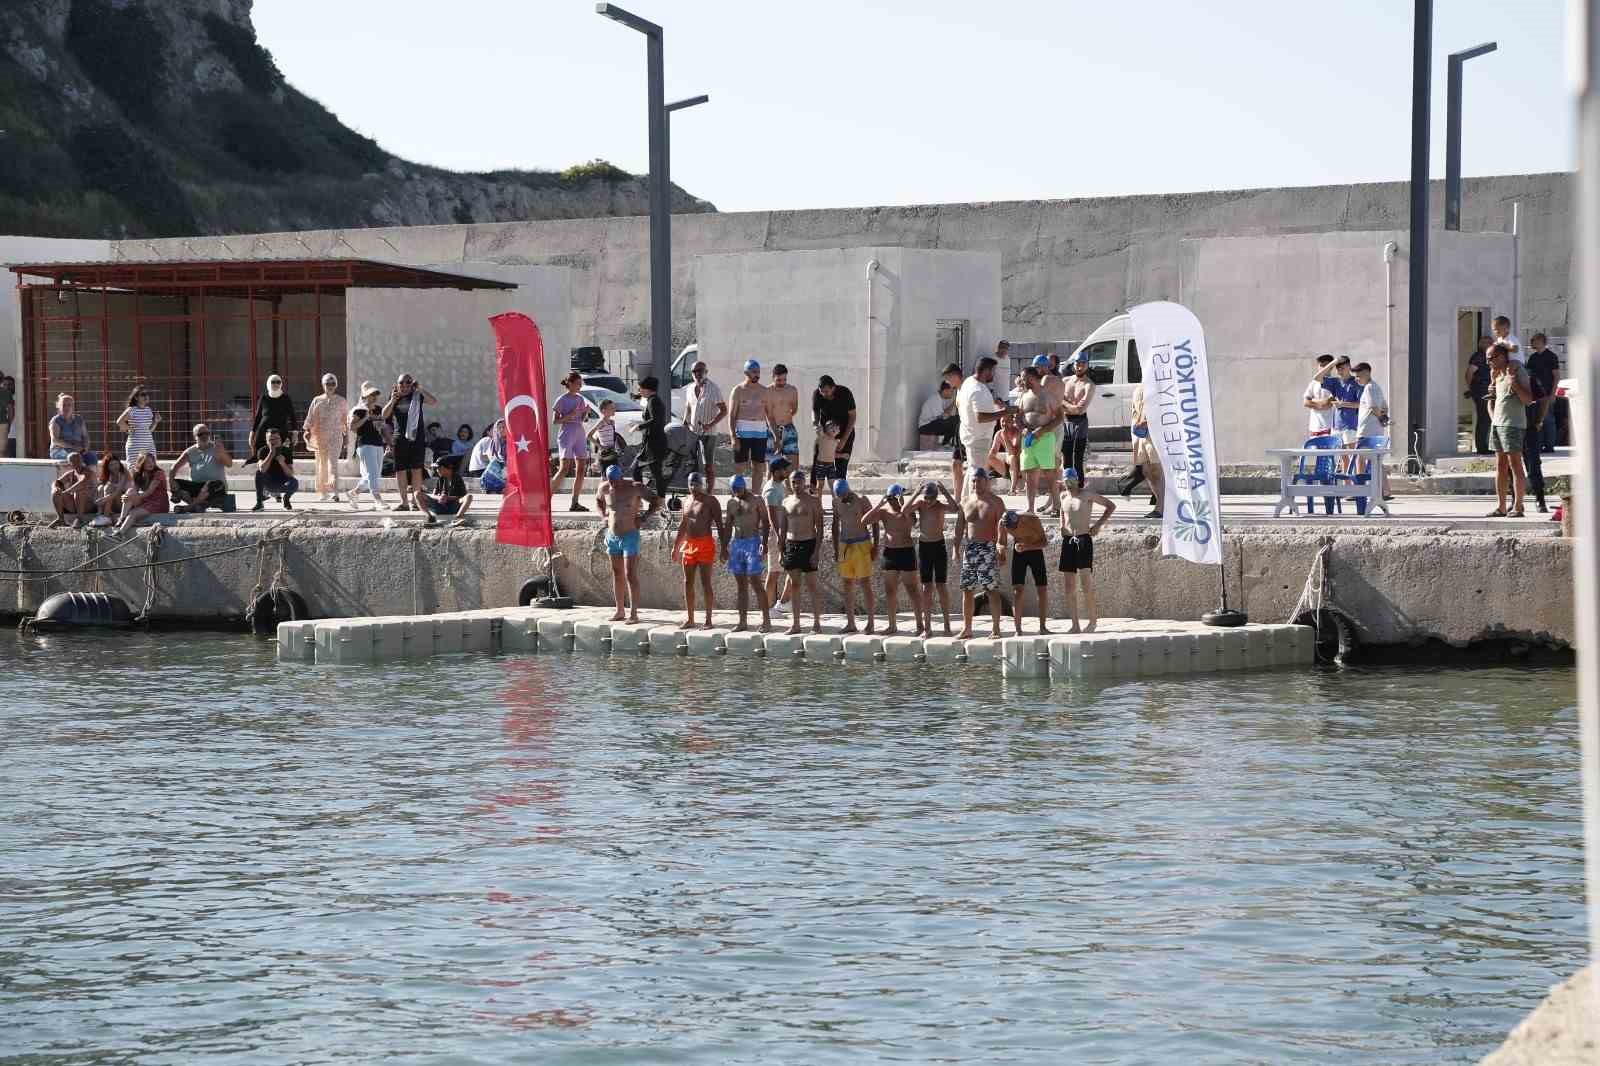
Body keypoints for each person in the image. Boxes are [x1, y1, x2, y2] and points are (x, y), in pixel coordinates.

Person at [596, 464, 660, 623]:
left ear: (621, 478)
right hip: (612, 536)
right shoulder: (604, 488)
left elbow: (656, 501)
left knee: (630, 574)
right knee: (616, 573)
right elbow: (598, 501)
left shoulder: (635, 487)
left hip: (630, 535)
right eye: (610, 481)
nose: (613, 484)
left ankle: (634, 613)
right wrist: (602, 516)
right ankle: (619, 611)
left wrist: (644, 517)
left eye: (615, 481)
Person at [862, 484, 924, 637]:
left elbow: (912, 522)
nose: (890, 501)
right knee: (890, 590)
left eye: (892, 498)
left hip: (906, 552)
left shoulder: (907, 512)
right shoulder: (884, 512)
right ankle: (892, 625)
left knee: (912, 590)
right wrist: (879, 504)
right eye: (888, 498)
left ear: (898, 497)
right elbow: (864, 521)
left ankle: (920, 625)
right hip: (890, 553)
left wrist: (903, 504)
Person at [1058, 469, 1115, 633]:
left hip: (1083, 539)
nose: (1068, 483)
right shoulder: (1063, 496)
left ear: (1077, 480)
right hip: (1068, 541)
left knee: (1085, 583)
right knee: (1069, 586)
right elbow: (1063, 511)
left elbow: (1110, 506)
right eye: (1066, 480)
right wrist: (1061, 525)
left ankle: (1092, 621)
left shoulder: (1087, 495)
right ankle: (1075, 624)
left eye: (1071, 480)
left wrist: (1097, 525)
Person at [905, 481, 960, 637]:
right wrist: (916, 493)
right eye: (926, 498)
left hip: (939, 547)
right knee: (926, 587)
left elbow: (955, 508)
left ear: (936, 497)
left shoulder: (940, 506)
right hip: (924, 547)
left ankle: (947, 627)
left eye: (931, 499)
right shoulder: (920, 504)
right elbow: (904, 510)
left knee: (941, 586)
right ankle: (927, 627)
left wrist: (944, 490)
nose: (928, 502)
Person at [671, 472, 725, 629]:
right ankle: (690, 619)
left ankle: (708, 619)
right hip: (689, 544)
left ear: (702, 484)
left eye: (696, 484)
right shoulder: (686, 501)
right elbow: (683, 524)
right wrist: (675, 547)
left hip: (705, 544)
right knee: (687, 582)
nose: (693, 487)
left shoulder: (710, 501)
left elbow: (720, 525)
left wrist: (724, 548)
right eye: (691, 484)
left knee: (705, 582)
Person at [956, 468, 1005, 640]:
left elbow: (1002, 528)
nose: (976, 484)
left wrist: (1001, 547)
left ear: (987, 481)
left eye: (979, 480)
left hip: (988, 548)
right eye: (973, 481)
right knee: (967, 590)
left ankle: (996, 628)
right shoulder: (965, 501)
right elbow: (959, 528)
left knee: (991, 589)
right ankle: (967, 628)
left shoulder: (996, 502)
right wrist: (956, 549)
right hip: (970, 549)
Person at [1486, 343, 1533, 517]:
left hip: (1513, 425)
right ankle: (1501, 506)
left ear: (1502, 356)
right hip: (1498, 425)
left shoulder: (1517, 371)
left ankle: (1518, 506)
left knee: (1515, 465)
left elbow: (1528, 400)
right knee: (1500, 466)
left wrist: (1514, 383)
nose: (1489, 362)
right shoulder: (1496, 375)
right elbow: (1494, 403)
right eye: (1487, 359)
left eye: (1491, 358)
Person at [780, 468, 825, 635]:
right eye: (793, 482)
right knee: (795, 585)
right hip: (791, 545)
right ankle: (796, 624)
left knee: (812, 585)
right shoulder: (786, 502)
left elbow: (819, 527)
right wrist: (780, 550)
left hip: (808, 544)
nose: (796, 485)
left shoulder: (813, 501)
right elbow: (783, 527)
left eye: (798, 482)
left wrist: (816, 552)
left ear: (804, 483)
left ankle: (817, 623)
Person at [724, 474, 771, 632]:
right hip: (737, 544)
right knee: (741, 586)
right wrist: (724, 547)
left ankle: (766, 621)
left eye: (739, 488)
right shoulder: (731, 503)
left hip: (753, 543)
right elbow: (728, 526)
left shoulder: (756, 500)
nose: (737, 492)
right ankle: (742, 622)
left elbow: (765, 522)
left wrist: (764, 544)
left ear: (745, 486)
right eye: (735, 490)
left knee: (756, 583)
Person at [382, 374, 435, 511]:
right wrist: (392, 401)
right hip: (400, 439)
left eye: (408, 383)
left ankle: (415, 501)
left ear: (412, 384)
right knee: (400, 471)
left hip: (417, 438)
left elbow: (434, 402)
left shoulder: (417, 395)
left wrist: (421, 389)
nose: (405, 386)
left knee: (417, 470)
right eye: (402, 383)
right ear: (397, 384)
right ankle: (404, 502)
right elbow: (384, 415)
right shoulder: (394, 397)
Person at [831, 478, 877, 634]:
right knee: (847, 584)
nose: (842, 498)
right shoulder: (836, 503)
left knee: (865, 584)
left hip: (861, 544)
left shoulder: (862, 501)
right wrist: (836, 548)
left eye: (843, 495)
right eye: (839, 496)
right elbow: (835, 525)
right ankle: (851, 623)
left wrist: (875, 546)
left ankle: (870, 623)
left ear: (848, 490)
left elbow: (875, 522)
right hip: (845, 545)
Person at [1017, 364, 1062, 513]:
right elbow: (1018, 417)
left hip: (1045, 437)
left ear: (1032, 378)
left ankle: (1056, 506)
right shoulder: (1023, 396)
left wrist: (1042, 431)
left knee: (1049, 473)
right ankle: (1030, 508)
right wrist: (1022, 428)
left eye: (1024, 379)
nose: (1022, 382)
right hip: (1028, 438)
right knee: (1030, 474)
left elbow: (1059, 418)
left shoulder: (1048, 396)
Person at [1000, 508, 1050, 635]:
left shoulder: (1032, 520)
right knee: (1017, 591)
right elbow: (1001, 542)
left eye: (1014, 528)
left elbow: (1044, 542)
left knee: (1042, 589)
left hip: (1035, 550)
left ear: (1020, 520)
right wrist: (1001, 551)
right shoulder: (1003, 523)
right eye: (1010, 529)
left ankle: (1043, 627)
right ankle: (1018, 629)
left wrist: (1027, 547)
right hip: (1019, 553)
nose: (1013, 531)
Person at [727, 359, 774, 497]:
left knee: (759, 466)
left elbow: (769, 416)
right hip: (742, 431)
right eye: (754, 372)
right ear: (746, 372)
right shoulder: (738, 390)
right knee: (740, 466)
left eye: (758, 372)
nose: (757, 375)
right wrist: (733, 437)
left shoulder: (764, 391)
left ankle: (755, 496)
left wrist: (775, 435)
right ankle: (737, 493)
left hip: (760, 432)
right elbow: (731, 416)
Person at [956, 357, 1002, 495]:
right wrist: (1004, 412)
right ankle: (973, 505)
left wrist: (992, 404)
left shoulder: (968, 382)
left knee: (972, 470)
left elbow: (960, 404)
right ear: (986, 371)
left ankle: (964, 504)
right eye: (992, 371)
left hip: (971, 435)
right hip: (978, 438)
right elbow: (980, 417)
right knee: (977, 474)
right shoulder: (977, 389)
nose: (993, 374)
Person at [299, 374, 349, 502]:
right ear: (323, 385)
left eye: (333, 383)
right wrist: (307, 430)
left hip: (336, 436)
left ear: (336, 385)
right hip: (321, 436)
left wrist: (347, 436)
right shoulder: (317, 400)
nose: (330, 386)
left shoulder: (342, 401)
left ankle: (335, 492)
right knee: (322, 464)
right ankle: (323, 492)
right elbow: (310, 417)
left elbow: (345, 420)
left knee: (333, 463)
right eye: (328, 383)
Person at [684, 360, 728, 491]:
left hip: (708, 433)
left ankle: (709, 493)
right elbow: (688, 406)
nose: (697, 374)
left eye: (700, 371)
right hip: (692, 431)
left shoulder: (713, 389)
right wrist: (685, 422)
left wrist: (710, 424)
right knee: (691, 464)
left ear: (706, 372)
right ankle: (693, 492)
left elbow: (724, 410)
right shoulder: (690, 388)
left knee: (708, 465)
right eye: (694, 371)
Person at [549, 371, 590, 512]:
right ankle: (546, 500)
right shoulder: (561, 399)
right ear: (570, 384)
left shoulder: (580, 399)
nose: (580, 386)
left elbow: (582, 418)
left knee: (581, 469)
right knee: (564, 468)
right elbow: (555, 421)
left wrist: (585, 412)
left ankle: (575, 502)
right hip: (566, 433)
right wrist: (570, 415)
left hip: (579, 432)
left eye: (581, 383)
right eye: (578, 383)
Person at [169, 423, 232, 513]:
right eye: (200, 434)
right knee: (175, 482)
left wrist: (222, 452)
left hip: (214, 488)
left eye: (207, 433)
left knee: (211, 484)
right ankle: (197, 506)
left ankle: (189, 507)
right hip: (197, 487)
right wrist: (171, 482)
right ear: (195, 437)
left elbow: (229, 464)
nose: (204, 436)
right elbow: (174, 468)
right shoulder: (190, 451)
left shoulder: (216, 448)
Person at [348, 385, 391, 509]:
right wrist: (366, 418)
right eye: (371, 395)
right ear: (364, 396)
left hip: (378, 444)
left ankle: (353, 493)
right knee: (372, 473)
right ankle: (377, 500)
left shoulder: (378, 409)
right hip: (365, 444)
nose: (374, 397)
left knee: (374, 475)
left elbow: (383, 427)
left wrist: (389, 442)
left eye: (375, 395)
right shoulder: (359, 410)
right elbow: (352, 427)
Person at [1352, 363, 1390, 500]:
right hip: (1375, 430)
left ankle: (1359, 490)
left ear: (1367, 372)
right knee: (1376, 460)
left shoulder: (1369, 388)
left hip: (1366, 431)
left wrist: (1382, 418)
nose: (1356, 379)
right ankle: (1385, 491)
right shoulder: (1376, 387)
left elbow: (1374, 407)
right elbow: (1385, 406)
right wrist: (1383, 418)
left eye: (1358, 376)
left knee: (1360, 460)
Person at [1129, 379, 1164, 518]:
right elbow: (1135, 410)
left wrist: (1146, 421)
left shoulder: (1159, 386)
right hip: (1139, 434)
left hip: (1154, 434)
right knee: (1146, 470)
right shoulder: (1139, 387)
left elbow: (1161, 409)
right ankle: (1161, 503)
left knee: (1156, 470)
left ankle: (1160, 506)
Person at [812, 375, 857, 480]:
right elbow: (815, 412)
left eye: (826, 391)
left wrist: (843, 440)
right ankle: (814, 490)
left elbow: (853, 416)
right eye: (821, 391)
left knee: (841, 468)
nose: (823, 394)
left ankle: (840, 492)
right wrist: (815, 424)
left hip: (845, 431)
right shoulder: (817, 394)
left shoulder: (845, 393)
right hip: (825, 433)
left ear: (833, 388)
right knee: (818, 461)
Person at [763, 456, 792, 617]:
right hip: (777, 536)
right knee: (773, 572)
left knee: (793, 569)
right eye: (784, 469)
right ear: (776, 471)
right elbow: (772, 517)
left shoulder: (779, 485)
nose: (787, 471)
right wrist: (780, 539)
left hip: (785, 534)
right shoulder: (771, 490)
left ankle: (783, 603)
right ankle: (768, 609)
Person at [632, 376, 669, 498]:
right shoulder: (652, 400)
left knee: (655, 473)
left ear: (648, 389)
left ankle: (659, 499)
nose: (639, 390)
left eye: (641, 388)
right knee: (639, 469)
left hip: (654, 444)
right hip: (650, 443)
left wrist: (639, 426)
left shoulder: (654, 401)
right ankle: (643, 497)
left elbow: (655, 420)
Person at [416, 453, 473, 528]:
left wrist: (447, 498)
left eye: (439, 468)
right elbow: (434, 495)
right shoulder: (441, 478)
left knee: (469, 497)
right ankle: (429, 517)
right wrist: (439, 498)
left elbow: (461, 496)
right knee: (417, 494)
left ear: (447, 468)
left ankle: (458, 517)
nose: (437, 470)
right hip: (439, 506)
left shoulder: (457, 478)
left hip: (453, 506)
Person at [117, 451, 169, 533]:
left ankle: (120, 534)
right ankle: (122, 518)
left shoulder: (159, 473)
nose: (151, 464)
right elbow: (134, 490)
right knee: (130, 491)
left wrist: (131, 497)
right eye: (147, 462)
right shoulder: (138, 474)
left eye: (152, 461)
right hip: (146, 500)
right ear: (141, 463)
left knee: (133, 513)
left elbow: (149, 492)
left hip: (158, 503)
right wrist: (126, 496)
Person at [1523, 361, 1551, 513]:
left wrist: (1539, 420)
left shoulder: (1528, 377)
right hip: (1509, 427)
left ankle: (1540, 499)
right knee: (1510, 466)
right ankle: (1515, 501)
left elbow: (1544, 399)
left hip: (1528, 426)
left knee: (1533, 463)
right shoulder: (1499, 375)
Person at [1525, 333, 1561, 452]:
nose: (1531, 342)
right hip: (1535, 394)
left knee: (1548, 419)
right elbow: (1528, 375)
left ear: (1541, 341)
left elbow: (1556, 376)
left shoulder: (1551, 357)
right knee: (1537, 419)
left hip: (1547, 392)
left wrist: (1553, 393)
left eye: (1533, 340)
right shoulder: (1533, 358)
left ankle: (1549, 445)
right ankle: (1538, 445)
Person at [1061, 352, 1094, 475]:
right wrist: (1071, 406)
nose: (1079, 367)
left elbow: (1080, 409)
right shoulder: (1065, 381)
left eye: (1082, 364)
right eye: (1077, 364)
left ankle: (1079, 486)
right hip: (1065, 421)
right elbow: (1058, 400)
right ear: (1074, 365)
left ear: (1087, 366)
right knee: (1066, 456)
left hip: (1080, 422)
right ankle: (1067, 484)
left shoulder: (1089, 385)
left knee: (1078, 458)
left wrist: (1064, 404)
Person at [249, 374, 297, 459]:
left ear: (281, 384)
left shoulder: (286, 398)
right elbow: (258, 417)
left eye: (278, 382)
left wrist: (295, 433)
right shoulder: (264, 398)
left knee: (282, 456)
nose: (276, 384)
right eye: (273, 382)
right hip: (263, 433)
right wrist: (252, 433)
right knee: (262, 456)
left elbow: (292, 416)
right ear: (268, 383)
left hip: (281, 433)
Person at [252, 427, 299, 511]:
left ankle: (286, 499)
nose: (274, 441)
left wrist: (282, 463)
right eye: (271, 439)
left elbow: (290, 474)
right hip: (268, 483)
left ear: (280, 439)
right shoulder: (262, 451)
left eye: (276, 439)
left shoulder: (286, 451)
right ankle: (259, 503)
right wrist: (271, 454)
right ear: (267, 441)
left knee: (294, 483)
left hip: (283, 482)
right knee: (258, 473)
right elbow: (262, 469)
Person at [49, 451, 95, 528]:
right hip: (74, 505)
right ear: (70, 463)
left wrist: (66, 492)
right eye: (73, 461)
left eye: (78, 460)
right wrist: (55, 488)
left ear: (81, 460)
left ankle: (80, 519)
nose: (76, 463)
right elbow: (56, 482)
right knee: (55, 492)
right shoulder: (70, 473)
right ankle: (60, 519)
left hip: (88, 505)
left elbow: (82, 483)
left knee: (79, 491)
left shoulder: (88, 472)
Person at [1465, 335, 1494, 455]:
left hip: (1486, 390)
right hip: (1482, 391)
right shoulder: (1479, 357)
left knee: (1487, 419)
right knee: (1484, 419)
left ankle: (1484, 446)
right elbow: (1469, 373)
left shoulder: (1487, 356)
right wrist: (1472, 389)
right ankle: (1482, 447)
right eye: (1486, 343)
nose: (1489, 344)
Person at [116, 383, 160, 464]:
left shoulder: (148, 410)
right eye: (143, 394)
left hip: (149, 445)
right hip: (135, 447)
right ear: (136, 397)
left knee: (151, 469)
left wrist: (155, 422)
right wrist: (130, 428)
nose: (146, 396)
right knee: (134, 471)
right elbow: (119, 422)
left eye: (147, 394)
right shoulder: (132, 410)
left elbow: (149, 430)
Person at [768, 364, 802, 466]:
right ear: (773, 377)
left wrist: (785, 418)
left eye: (784, 380)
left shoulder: (792, 390)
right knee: (772, 466)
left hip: (788, 428)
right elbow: (769, 416)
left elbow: (794, 409)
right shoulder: (767, 391)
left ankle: (791, 482)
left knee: (792, 465)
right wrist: (777, 437)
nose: (782, 383)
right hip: (772, 430)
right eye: (778, 380)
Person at [1325, 356, 1362, 445]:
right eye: (1338, 369)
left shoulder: (1356, 382)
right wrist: (1333, 363)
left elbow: (1361, 404)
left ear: (1349, 366)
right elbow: (1317, 377)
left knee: (1352, 455)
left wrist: (1342, 404)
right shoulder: (1335, 382)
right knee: (1342, 456)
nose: (1340, 371)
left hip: (1350, 426)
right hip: (1336, 426)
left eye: (1342, 368)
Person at [47, 393, 94, 463]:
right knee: (75, 457)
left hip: (78, 449)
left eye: (69, 405)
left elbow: (85, 436)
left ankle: (89, 474)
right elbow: (55, 440)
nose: (66, 407)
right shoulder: (56, 421)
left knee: (92, 457)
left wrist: (86, 448)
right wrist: (73, 447)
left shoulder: (79, 419)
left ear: (72, 407)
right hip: (59, 450)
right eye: (64, 405)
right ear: (59, 407)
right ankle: (76, 473)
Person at [1302, 354, 1337, 438]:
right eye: (1321, 365)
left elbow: (1327, 404)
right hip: (1314, 428)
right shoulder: (1313, 383)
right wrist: (1319, 404)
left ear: (1331, 367)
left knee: (1329, 451)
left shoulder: (1335, 383)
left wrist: (1313, 400)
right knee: (1314, 451)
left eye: (1325, 365)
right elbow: (1306, 402)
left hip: (1329, 427)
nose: (1322, 368)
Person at [469, 419, 508, 492]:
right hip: (497, 466)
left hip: (508, 465)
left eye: (504, 427)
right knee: (492, 467)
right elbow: (490, 458)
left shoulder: (511, 441)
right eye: (499, 428)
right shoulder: (493, 441)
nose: (502, 429)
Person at [91, 454, 130, 527]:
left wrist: (104, 499)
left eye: (116, 463)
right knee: (101, 487)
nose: (115, 466)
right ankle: (100, 513)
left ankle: (106, 516)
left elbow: (118, 491)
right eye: (111, 465)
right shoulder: (108, 474)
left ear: (119, 463)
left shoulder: (123, 473)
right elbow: (98, 486)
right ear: (107, 467)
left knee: (109, 488)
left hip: (122, 503)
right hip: (111, 502)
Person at [918, 381, 959, 448]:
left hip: (932, 424)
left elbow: (944, 414)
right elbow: (944, 417)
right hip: (925, 427)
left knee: (956, 420)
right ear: (945, 391)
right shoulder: (935, 399)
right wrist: (954, 404)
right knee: (954, 420)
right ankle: (945, 443)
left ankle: (947, 443)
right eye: (951, 391)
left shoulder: (942, 399)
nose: (952, 394)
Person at [987, 408, 1022, 487]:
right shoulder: (999, 434)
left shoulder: (1018, 432)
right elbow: (993, 451)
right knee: (988, 456)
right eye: (1002, 421)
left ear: (1012, 422)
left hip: (1019, 465)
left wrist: (1005, 437)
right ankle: (986, 477)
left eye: (1007, 421)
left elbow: (1013, 452)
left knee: (1012, 458)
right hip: (1007, 466)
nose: (1004, 423)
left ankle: (1013, 487)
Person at [587, 398, 619, 472]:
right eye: (611, 408)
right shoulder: (601, 422)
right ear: (603, 411)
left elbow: (613, 436)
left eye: (614, 407)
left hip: (612, 451)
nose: (614, 410)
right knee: (605, 474)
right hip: (605, 453)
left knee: (614, 474)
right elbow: (589, 435)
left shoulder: (612, 422)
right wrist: (600, 446)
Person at [812, 420, 841, 490]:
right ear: (826, 430)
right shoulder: (823, 437)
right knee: (820, 485)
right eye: (830, 427)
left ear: (838, 431)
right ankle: (818, 500)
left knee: (833, 485)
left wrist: (843, 455)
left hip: (831, 465)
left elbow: (833, 455)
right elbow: (818, 430)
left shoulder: (836, 442)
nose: (833, 428)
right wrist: (818, 426)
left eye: (835, 427)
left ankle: (835, 500)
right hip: (820, 464)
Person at [0, 372, 14, 458]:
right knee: (2, 451)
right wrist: (9, 425)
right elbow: (11, 412)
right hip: (3, 423)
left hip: (3, 423)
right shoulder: (6, 393)